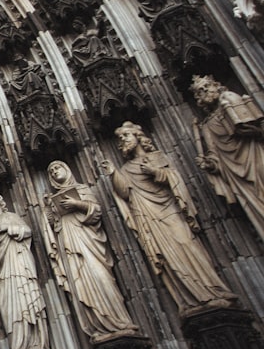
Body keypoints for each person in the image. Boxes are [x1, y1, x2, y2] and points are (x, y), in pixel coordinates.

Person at [101, 122, 236, 316]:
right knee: (167, 257)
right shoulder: (128, 168)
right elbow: (125, 192)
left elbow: (174, 179)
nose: (122, 141)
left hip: (169, 210)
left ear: (138, 137)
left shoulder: (156, 157)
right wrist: (113, 173)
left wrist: (155, 172)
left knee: (186, 242)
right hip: (148, 215)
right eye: (120, 139)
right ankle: (188, 299)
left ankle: (212, 288)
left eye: (126, 136)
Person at [44, 161, 138, 342]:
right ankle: (97, 323)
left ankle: (117, 318)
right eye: (52, 171)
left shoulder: (82, 189)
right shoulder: (54, 198)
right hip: (69, 244)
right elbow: (52, 225)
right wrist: (49, 209)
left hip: (89, 241)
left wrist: (77, 204)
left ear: (67, 169)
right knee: (81, 282)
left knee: (100, 275)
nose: (55, 172)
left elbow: (96, 211)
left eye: (58, 168)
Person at [0, 190, 53, 349]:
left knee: (24, 303)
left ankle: (33, 346)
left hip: (19, 267)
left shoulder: (11, 217)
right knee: (8, 305)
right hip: (4, 275)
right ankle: (19, 347)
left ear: (1, 200)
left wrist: (9, 229)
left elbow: (27, 231)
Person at [191, 75, 264, 240]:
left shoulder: (230, 99)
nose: (205, 92)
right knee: (257, 207)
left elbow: (257, 126)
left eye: (207, 86)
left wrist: (244, 127)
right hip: (235, 174)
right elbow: (214, 154)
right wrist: (209, 164)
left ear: (216, 85)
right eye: (200, 92)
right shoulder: (207, 125)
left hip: (255, 156)